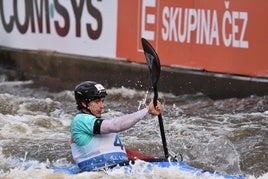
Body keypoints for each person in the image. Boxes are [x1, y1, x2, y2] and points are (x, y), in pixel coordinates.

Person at [70, 81, 162, 171]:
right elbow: (115, 125)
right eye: (97, 102)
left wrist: (155, 159)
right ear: (84, 103)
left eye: (102, 101)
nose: (102, 106)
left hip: (118, 169)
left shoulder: (99, 125)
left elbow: (125, 153)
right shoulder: (80, 120)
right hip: (99, 172)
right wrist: (146, 110)